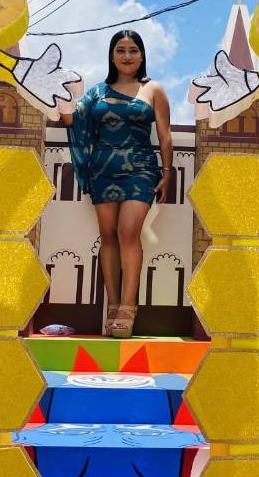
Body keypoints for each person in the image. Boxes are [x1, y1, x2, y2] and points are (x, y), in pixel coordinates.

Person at [61, 30, 173, 339]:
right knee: (107, 236)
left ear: (142, 55)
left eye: (133, 50)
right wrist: (51, 91)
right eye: (121, 50)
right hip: (103, 170)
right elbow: (73, 120)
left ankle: (127, 306)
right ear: (112, 55)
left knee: (127, 232)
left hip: (140, 170)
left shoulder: (153, 90)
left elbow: (164, 135)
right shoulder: (97, 92)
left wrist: (167, 171)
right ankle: (112, 305)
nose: (127, 55)